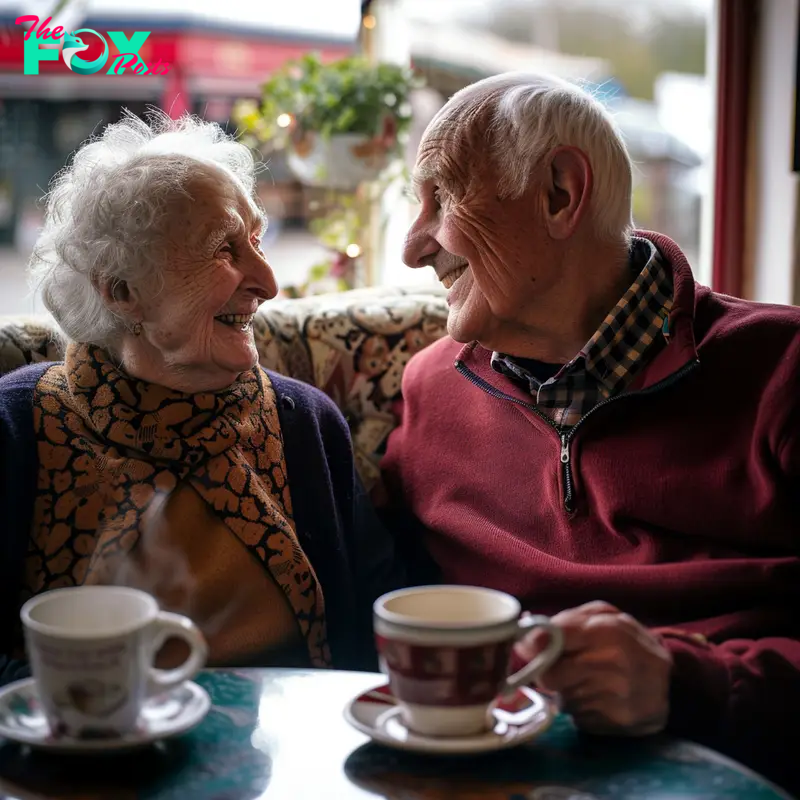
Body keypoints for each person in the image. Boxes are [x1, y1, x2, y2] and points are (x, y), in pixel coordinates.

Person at [380, 72, 800, 792]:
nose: (413, 248)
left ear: (560, 194)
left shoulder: (783, 369)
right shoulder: (428, 390)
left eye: (443, 198)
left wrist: (688, 684)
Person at [0, 111, 403, 684]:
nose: (267, 281)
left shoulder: (306, 424)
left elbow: (375, 628)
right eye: (223, 249)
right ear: (121, 291)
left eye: (257, 241)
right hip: (83, 756)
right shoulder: (18, 426)